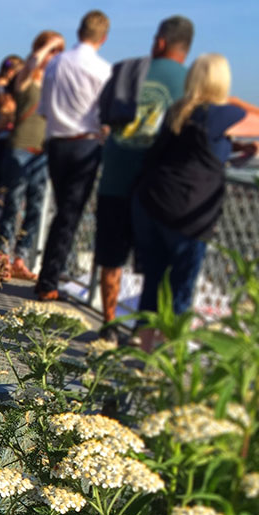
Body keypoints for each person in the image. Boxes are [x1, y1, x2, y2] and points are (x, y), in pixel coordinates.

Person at [132, 53, 254, 350]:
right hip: (189, 214)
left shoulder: (179, 110)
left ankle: (145, 349)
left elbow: (196, 148)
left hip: (153, 202)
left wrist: (232, 147)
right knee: (181, 290)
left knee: (154, 281)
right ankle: (168, 357)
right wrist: (238, 102)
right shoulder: (222, 114)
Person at [95, 15, 194, 336]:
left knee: (111, 257)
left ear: (161, 41)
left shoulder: (129, 69)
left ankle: (109, 324)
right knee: (155, 268)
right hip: (157, 188)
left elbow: (103, 113)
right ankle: (143, 332)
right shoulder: (191, 82)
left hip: (114, 176)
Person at [34, 10, 111, 302]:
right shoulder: (103, 70)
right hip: (85, 144)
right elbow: (105, 113)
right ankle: (49, 280)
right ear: (103, 38)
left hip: (56, 142)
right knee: (69, 213)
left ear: (79, 31)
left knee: (62, 210)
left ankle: (49, 276)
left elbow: (43, 109)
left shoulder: (55, 64)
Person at [0, 31, 65, 280]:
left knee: (35, 207)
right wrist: (46, 47)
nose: (54, 55)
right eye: (52, 50)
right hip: (21, 147)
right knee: (13, 204)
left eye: (59, 51)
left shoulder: (54, 81)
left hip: (42, 152)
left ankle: (20, 259)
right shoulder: (26, 77)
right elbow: (33, 62)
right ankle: (4, 257)